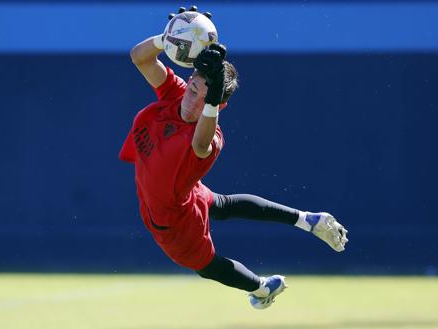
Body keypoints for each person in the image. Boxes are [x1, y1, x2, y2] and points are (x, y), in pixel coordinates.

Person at [119, 6, 348, 310]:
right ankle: (307, 219)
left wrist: (211, 97)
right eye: (193, 89)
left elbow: (200, 142)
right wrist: (172, 34)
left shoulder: (209, 137)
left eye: (203, 98)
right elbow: (139, 57)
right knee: (223, 205)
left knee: (207, 266)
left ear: (215, 104)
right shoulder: (175, 93)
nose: (191, 100)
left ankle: (263, 287)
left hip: (171, 217)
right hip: (176, 194)